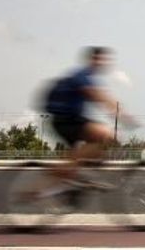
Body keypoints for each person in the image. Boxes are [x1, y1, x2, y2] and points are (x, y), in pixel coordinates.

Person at [43, 46, 131, 187]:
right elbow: (98, 96)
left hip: (66, 120)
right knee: (108, 136)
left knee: (78, 157)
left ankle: (37, 192)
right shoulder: (82, 75)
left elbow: (99, 96)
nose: (104, 63)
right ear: (94, 59)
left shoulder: (85, 76)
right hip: (67, 121)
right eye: (102, 59)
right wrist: (123, 115)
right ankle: (72, 173)